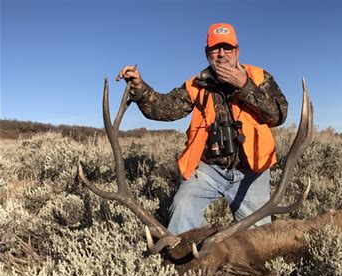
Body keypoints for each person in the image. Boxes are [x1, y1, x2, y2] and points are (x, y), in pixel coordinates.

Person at [117, 23, 288, 235]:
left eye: (227, 48)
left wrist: (245, 86)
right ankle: (182, 264)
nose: (222, 54)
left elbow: (279, 114)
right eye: (215, 49)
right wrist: (140, 88)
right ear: (207, 54)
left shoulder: (259, 77)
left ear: (237, 51)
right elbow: (163, 108)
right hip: (209, 170)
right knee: (181, 210)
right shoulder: (196, 85)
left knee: (259, 239)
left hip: (251, 170)